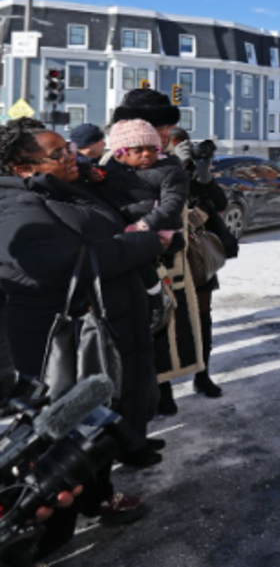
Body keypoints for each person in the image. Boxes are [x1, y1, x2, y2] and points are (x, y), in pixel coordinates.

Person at [0, 118, 165, 540]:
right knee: (59, 436)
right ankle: (36, 536)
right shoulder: (13, 205)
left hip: (101, 323)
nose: (71, 156)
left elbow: (113, 220)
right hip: (56, 338)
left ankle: (98, 496)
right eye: (58, 154)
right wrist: (146, 243)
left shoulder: (57, 188)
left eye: (69, 149)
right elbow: (63, 261)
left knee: (94, 421)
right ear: (22, 168)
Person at [108, 89, 204, 417]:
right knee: (148, 331)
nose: (166, 133)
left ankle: (169, 387)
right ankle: (154, 394)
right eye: (160, 127)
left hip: (175, 256)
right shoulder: (113, 164)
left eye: (166, 127)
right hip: (139, 259)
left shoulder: (170, 161)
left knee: (174, 328)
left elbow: (192, 202)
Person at [166, 127, 234, 400]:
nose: (184, 149)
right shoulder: (160, 168)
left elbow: (220, 202)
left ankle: (203, 375)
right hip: (168, 256)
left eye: (185, 144)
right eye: (176, 145)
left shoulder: (195, 173)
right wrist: (176, 167)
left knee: (203, 316)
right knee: (167, 319)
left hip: (196, 256)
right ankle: (163, 387)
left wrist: (203, 173)